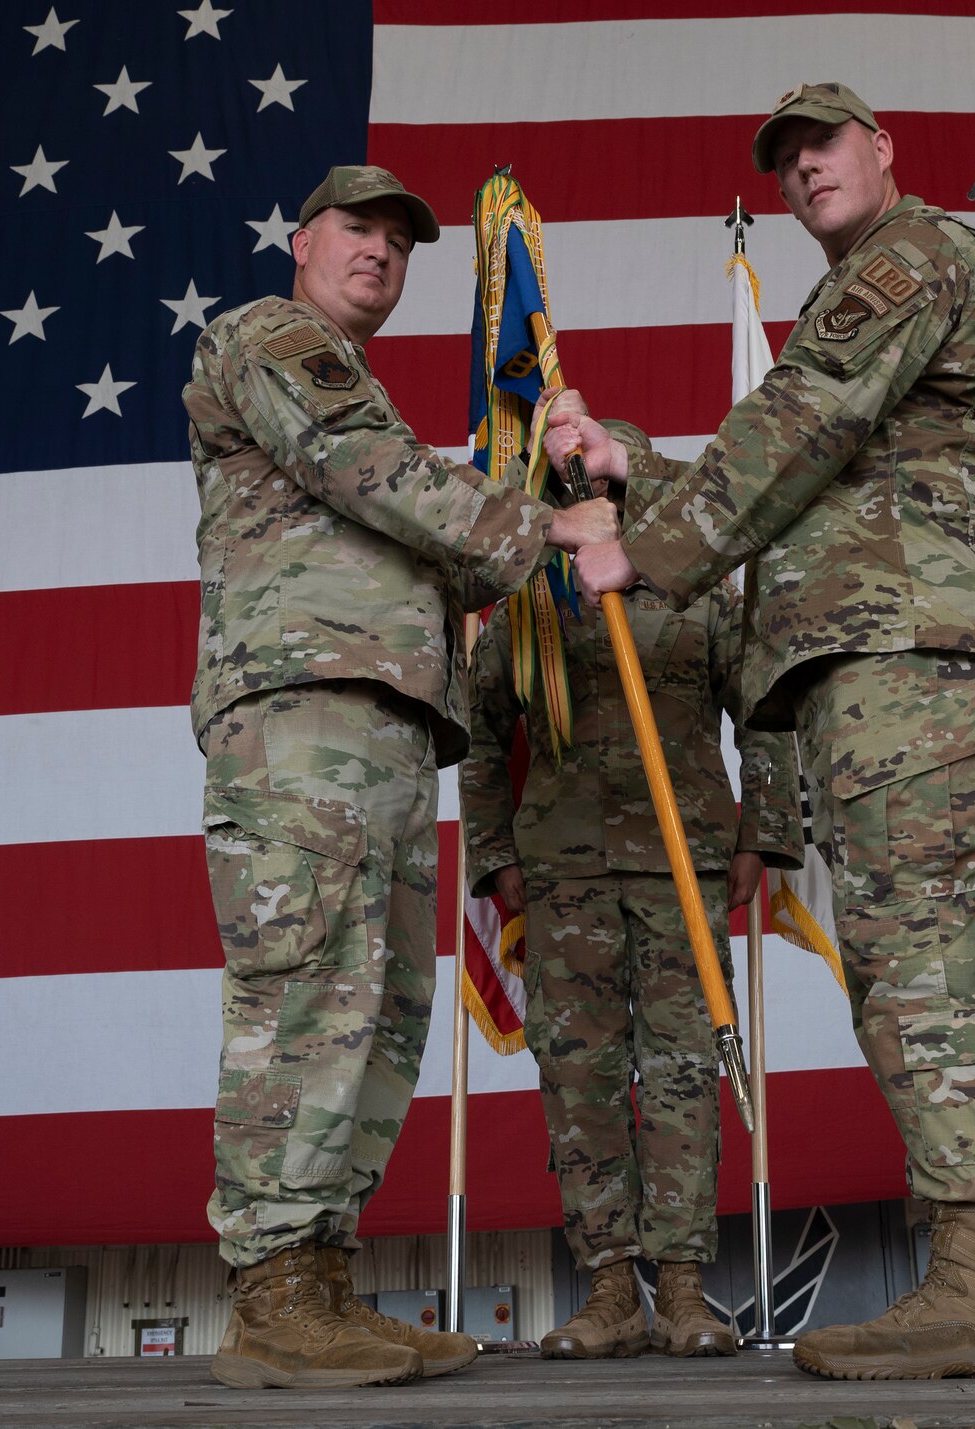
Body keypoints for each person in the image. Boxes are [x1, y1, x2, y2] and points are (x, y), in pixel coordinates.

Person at [544, 84, 975, 1380]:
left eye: (824, 145)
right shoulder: (858, 296)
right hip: (872, 655)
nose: (804, 170)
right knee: (900, 954)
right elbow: (815, 453)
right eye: (785, 160)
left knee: (926, 951)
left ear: (885, 153)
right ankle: (972, 1275)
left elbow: (797, 430)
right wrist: (629, 468)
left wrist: (639, 550)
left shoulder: (916, 254)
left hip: (909, 649)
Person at [185, 164, 617, 1389]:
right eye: (356, 228)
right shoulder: (275, 342)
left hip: (379, 722)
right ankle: (271, 1294)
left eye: (398, 239)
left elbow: (443, 563)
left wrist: (549, 488)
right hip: (300, 718)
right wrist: (550, 528)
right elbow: (368, 471)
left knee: (374, 1005)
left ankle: (317, 1282)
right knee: (309, 987)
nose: (377, 250)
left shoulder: (359, 390)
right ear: (301, 237)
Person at [460, 424, 803, 1360]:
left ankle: (686, 1287)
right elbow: (481, 731)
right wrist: (494, 853)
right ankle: (609, 1286)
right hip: (564, 870)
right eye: (582, 485)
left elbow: (765, 711)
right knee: (582, 1080)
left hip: (681, 863)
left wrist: (762, 832)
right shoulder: (531, 598)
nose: (602, 499)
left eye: (612, 482)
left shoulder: (699, 587)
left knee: (688, 1071)